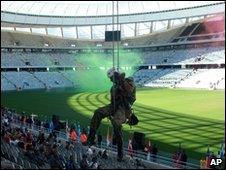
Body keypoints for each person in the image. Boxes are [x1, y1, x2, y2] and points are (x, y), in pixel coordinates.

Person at [87, 68, 137, 162]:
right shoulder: (113, 88)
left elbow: (130, 92)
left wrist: (121, 84)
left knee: (116, 123)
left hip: (123, 108)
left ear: (117, 75)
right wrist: (110, 112)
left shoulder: (129, 81)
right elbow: (113, 101)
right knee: (98, 112)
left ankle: (120, 152)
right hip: (114, 106)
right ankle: (91, 138)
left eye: (111, 78)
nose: (110, 80)